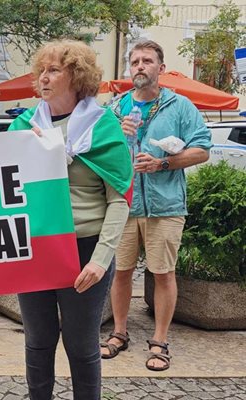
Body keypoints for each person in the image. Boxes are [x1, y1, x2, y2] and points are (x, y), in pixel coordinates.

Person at [8, 39, 133, 399]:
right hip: (37, 247)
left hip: (86, 249)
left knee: (80, 344)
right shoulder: (22, 126)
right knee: (38, 340)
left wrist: (101, 259)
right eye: (41, 71)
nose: (43, 79)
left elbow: (119, 199)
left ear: (76, 76)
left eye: (54, 70)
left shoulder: (104, 127)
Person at [101, 40, 211, 372]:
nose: (140, 66)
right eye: (134, 61)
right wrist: (116, 140)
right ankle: (119, 333)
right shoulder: (115, 109)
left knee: (162, 274)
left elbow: (203, 149)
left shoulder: (180, 107)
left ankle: (160, 341)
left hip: (165, 206)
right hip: (123, 204)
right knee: (119, 273)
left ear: (160, 69)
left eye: (147, 61)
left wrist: (162, 163)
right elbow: (97, 156)